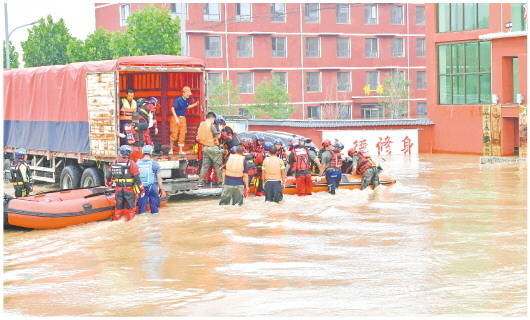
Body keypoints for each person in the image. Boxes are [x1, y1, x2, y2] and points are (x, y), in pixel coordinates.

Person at [109, 145, 143, 221]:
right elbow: (137, 177)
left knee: (118, 205)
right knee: (131, 206)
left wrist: (109, 183)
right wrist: (141, 188)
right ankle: (130, 221)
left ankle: (116, 219)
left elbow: (109, 175)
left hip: (118, 189)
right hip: (129, 189)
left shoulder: (115, 162)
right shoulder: (132, 163)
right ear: (129, 153)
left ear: (120, 153)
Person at [170, 86, 200, 155]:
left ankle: (180, 151)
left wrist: (195, 104)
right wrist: (176, 118)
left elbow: (187, 107)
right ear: (183, 93)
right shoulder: (178, 100)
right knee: (174, 134)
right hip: (176, 118)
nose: (188, 95)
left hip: (183, 118)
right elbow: (172, 108)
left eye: (189, 94)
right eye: (187, 94)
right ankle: (171, 149)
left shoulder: (187, 100)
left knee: (182, 134)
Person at [196, 112, 222, 187]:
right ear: (212, 118)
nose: (214, 121)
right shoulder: (211, 125)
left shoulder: (201, 125)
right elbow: (217, 136)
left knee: (204, 166)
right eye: (214, 119)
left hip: (205, 148)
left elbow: (198, 137)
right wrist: (219, 131)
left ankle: (200, 182)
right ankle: (220, 183)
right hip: (213, 147)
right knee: (218, 166)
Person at [137, 145, 164, 215]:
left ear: (142, 152)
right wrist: (162, 189)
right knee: (155, 209)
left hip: (141, 188)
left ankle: (142, 215)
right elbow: (159, 178)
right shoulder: (155, 164)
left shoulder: (137, 163)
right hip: (152, 187)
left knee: (141, 208)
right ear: (151, 152)